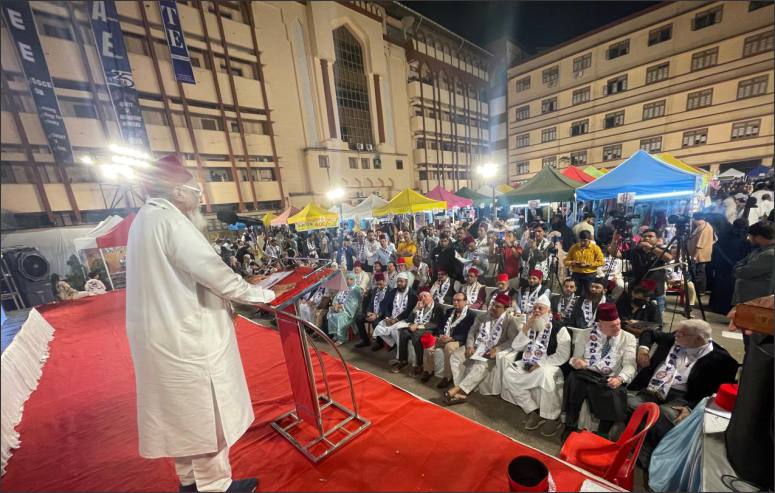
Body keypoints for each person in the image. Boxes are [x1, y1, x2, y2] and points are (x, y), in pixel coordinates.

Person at [126, 154, 289, 492]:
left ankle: (190, 482)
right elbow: (215, 274)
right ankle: (214, 486)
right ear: (177, 191)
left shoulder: (145, 219)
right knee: (205, 413)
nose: (200, 198)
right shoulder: (171, 221)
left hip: (166, 335)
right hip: (188, 338)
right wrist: (265, 294)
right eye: (196, 190)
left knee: (183, 416)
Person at [628, 320, 738, 465]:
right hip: (655, 388)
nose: (676, 335)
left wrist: (691, 407)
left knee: (659, 417)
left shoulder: (722, 360)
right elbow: (648, 333)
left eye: (682, 333)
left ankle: (649, 459)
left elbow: (717, 393)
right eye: (677, 331)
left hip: (684, 397)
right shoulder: (674, 338)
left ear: (698, 339)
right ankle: (631, 445)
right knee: (628, 403)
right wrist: (643, 350)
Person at [561, 304, 637, 440]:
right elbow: (575, 358)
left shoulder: (628, 338)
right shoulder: (586, 334)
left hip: (609, 377)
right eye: (612, 326)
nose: (618, 328)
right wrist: (576, 362)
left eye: (618, 323)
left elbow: (630, 365)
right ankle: (570, 426)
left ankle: (603, 434)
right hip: (586, 373)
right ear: (600, 325)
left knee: (612, 394)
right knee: (574, 382)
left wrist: (620, 378)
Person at [500, 294, 571, 436]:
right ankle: (534, 410)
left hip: (551, 364)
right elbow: (516, 346)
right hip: (528, 361)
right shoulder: (530, 325)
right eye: (535, 308)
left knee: (545, 376)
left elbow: (563, 355)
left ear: (549, 311)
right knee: (508, 373)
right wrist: (526, 327)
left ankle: (552, 417)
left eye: (540, 309)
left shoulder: (560, 329)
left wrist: (540, 363)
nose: (537, 311)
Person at [444, 293, 519, 405]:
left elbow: (512, 340)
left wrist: (497, 349)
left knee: (481, 365)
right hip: (476, 346)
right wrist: (469, 345)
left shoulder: (510, 321)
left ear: (505, 309)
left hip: (490, 350)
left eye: (497, 306)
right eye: (493, 305)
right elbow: (472, 332)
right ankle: (459, 390)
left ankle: (459, 390)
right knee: (455, 356)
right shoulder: (483, 316)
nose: (493, 308)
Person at [420, 292, 477, 388]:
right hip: (445, 336)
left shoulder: (471, 315)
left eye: (458, 300)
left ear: (465, 302)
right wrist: (440, 335)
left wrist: (452, 338)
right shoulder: (449, 311)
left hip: (458, 340)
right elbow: (440, 326)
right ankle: (428, 370)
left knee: (449, 347)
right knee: (429, 341)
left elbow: (468, 333)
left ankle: (447, 377)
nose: (455, 302)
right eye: (454, 300)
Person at [619, 229, 673, 315]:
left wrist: (651, 248)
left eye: (650, 236)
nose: (646, 238)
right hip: (638, 291)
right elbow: (617, 254)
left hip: (656, 292)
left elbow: (668, 258)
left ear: (657, 239)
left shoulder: (661, 250)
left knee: (657, 316)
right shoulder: (635, 251)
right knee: (636, 316)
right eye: (644, 236)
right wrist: (614, 240)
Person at [392, 291, 446, 375]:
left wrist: (417, 326)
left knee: (416, 335)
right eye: (421, 297)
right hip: (417, 327)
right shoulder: (419, 304)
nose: (423, 298)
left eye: (425, 296)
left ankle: (420, 364)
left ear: (431, 297)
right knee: (403, 333)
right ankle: (403, 360)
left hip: (429, 329)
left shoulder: (437, 307)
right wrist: (415, 309)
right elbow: (410, 319)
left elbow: (435, 324)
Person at [708, 219, 751, 315]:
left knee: (718, 286)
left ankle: (715, 306)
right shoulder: (744, 238)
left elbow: (716, 249)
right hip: (735, 267)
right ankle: (726, 308)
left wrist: (714, 264)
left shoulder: (725, 235)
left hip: (721, 266)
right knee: (730, 289)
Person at [371, 272, 417, 351]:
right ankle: (393, 343)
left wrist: (396, 319)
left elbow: (409, 310)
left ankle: (400, 351)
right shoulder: (393, 291)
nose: (399, 283)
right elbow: (387, 306)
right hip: (391, 317)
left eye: (401, 281)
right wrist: (387, 317)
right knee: (378, 327)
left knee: (394, 331)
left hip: (404, 319)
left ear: (406, 282)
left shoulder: (412, 294)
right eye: (398, 281)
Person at [326, 273, 363, 345]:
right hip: (339, 308)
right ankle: (335, 335)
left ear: (354, 280)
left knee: (340, 317)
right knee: (330, 315)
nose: (348, 281)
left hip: (350, 312)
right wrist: (335, 304)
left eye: (351, 279)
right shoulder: (344, 287)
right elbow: (336, 298)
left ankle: (342, 338)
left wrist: (341, 307)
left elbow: (353, 304)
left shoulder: (356, 290)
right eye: (347, 279)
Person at [355, 272, 389, 348]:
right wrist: (368, 312)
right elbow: (371, 303)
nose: (379, 286)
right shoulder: (375, 290)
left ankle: (379, 343)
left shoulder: (390, 291)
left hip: (383, 315)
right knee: (358, 318)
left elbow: (387, 307)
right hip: (373, 313)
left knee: (375, 322)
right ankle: (365, 340)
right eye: (377, 284)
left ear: (384, 281)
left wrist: (377, 315)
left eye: (380, 284)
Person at [565, 230, 605, 295]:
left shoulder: (595, 248)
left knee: (589, 293)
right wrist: (572, 263)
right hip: (576, 274)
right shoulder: (574, 247)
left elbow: (601, 262)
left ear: (589, 240)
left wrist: (589, 265)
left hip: (590, 275)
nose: (582, 242)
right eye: (581, 240)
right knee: (575, 293)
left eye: (585, 241)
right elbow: (566, 261)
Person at [687, 215, 715, 295]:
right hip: (698, 254)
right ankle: (698, 289)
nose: (692, 222)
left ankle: (700, 290)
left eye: (693, 220)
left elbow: (700, 243)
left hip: (700, 254)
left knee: (700, 273)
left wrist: (695, 256)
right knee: (699, 272)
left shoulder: (705, 228)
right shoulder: (701, 226)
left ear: (696, 219)